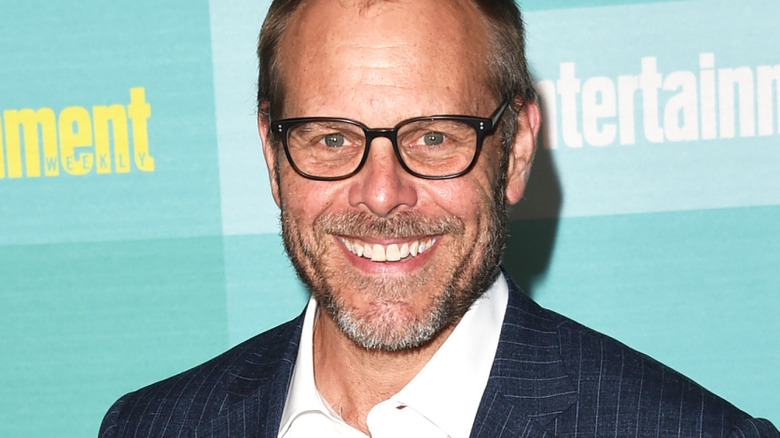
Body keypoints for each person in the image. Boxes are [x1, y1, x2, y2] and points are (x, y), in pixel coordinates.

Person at [100, 0, 779, 436]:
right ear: (273, 155)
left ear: (513, 150)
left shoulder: (682, 431)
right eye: (331, 139)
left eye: (434, 137)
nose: (383, 194)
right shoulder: (152, 426)